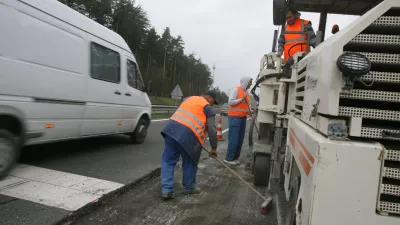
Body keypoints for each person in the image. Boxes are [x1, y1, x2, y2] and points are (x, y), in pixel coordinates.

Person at [160, 90, 219, 200]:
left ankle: (166, 190)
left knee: (168, 161)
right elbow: (212, 130)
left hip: (171, 130)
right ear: (209, 98)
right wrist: (214, 148)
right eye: (213, 102)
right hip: (189, 137)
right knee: (190, 162)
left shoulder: (188, 99)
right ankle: (189, 187)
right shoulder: (208, 108)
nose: (212, 105)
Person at [224, 76, 253, 166]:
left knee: (240, 139)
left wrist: (249, 111)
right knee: (234, 139)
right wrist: (241, 99)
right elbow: (230, 102)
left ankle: (235, 157)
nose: (251, 84)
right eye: (250, 83)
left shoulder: (247, 93)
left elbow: (245, 106)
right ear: (245, 82)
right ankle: (228, 158)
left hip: (243, 117)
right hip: (234, 117)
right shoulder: (236, 90)